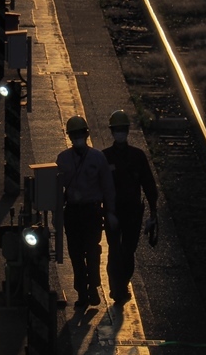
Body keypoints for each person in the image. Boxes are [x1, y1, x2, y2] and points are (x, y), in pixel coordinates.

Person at [57, 115, 117, 308]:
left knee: (92, 252)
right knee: (75, 254)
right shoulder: (63, 159)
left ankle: (92, 287)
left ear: (86, 134)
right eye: (74, 134)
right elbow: (58, 189)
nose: (77, 138)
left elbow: (108, 188)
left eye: (79, 134)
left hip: (91, 212)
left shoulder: (98, 158)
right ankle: (83, 292)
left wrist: (110, 212)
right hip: (73, 213)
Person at [102, 110, 158, 302]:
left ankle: (122, 284)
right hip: (113, 212)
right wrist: (107, 212)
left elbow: (149, 185)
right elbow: (99, 188)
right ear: (112, 132)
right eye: (117, 130)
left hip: (133, 213)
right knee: (115, 251)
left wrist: (153, 212)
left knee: (128, 251)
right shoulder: (105, 157)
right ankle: (116, 287)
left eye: (122, 129)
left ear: (126, 131)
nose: (120, 133)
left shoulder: (138, 157)